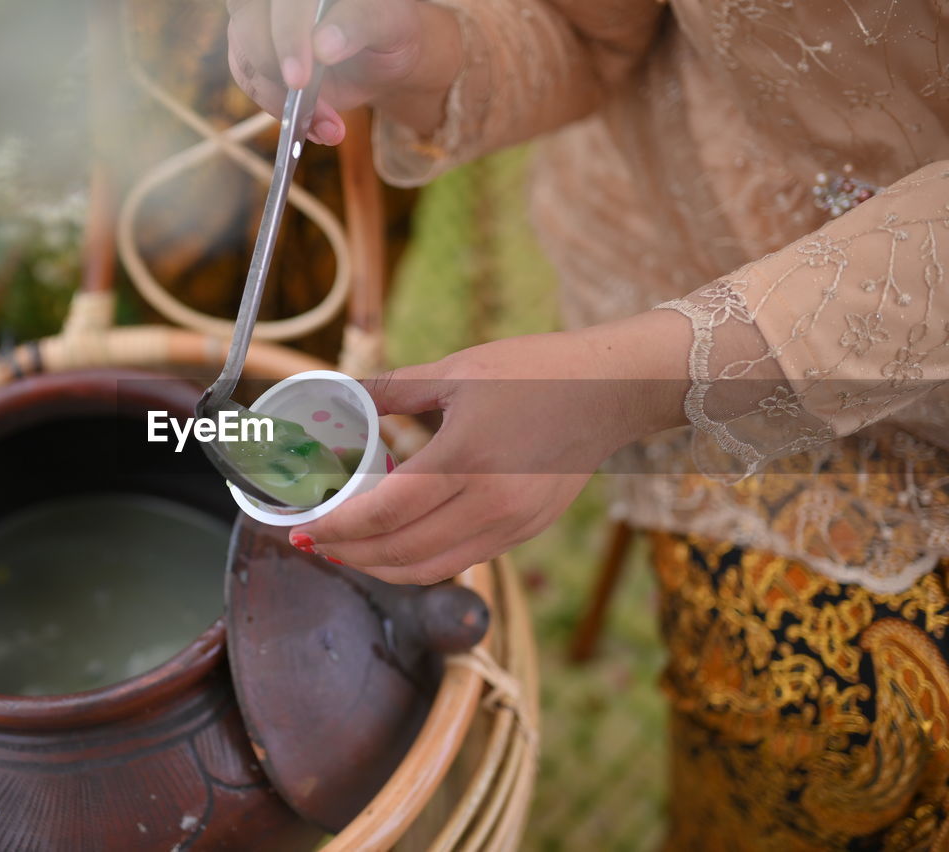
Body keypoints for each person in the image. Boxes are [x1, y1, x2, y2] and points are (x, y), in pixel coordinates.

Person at [229, 0, 949, 847]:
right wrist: (425, 52)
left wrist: (617, 384)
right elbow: (592, 31)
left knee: (844, 729)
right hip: (685, 243)